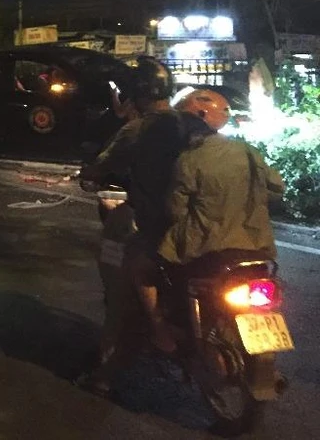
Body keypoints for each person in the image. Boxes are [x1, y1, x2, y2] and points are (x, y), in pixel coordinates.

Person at [80, 56, 189, 354]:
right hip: (191, 223)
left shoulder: (138, 129)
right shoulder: (188, 123)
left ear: (137, 93)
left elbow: (100, 168)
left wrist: (87, 172)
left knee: (120, 277)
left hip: (154, 224)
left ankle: (110, 359)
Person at [160, 89, 284, 267]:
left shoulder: (189, 158)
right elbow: (277, 188)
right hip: (256, 245)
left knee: (156, 267)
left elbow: (175, 210)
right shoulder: (248, 151)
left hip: (204, 250)